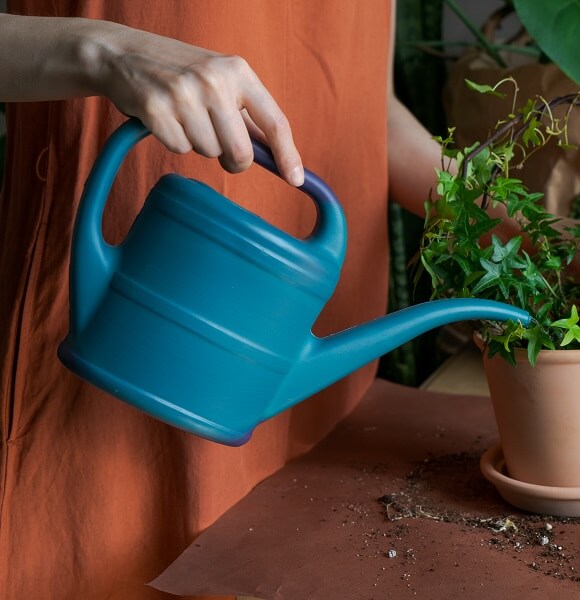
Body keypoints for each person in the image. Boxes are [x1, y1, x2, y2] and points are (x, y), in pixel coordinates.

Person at [0, 1, 444, 597]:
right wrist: (104, 52)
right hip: (113, 366)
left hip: (303, 407)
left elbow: (370, 109)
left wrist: (530, 229)